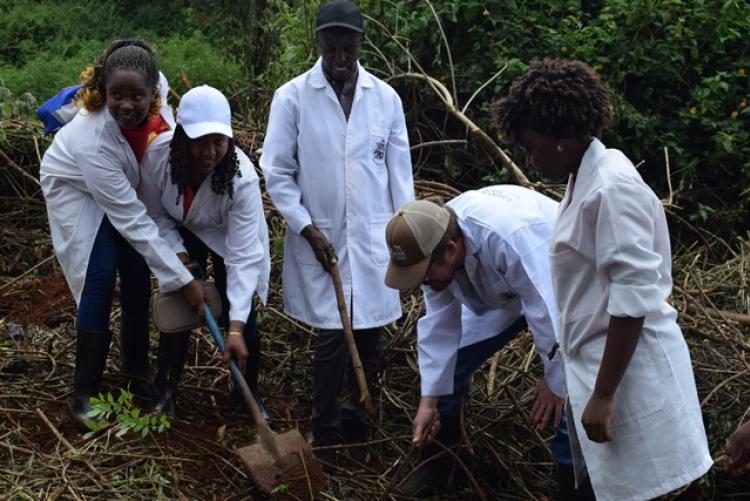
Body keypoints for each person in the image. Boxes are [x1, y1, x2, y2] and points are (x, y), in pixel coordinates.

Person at [491, 58, 713, 500]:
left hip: (630, 376)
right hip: (604, 370)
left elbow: (633, 297)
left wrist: (605, 393)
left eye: (531, 147)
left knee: (656, 492)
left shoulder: (611, 188)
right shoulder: (584, 180)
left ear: (560, 137)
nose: (529, 159)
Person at [260, 0, 414, 467]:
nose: (341, 58)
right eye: (332, 47)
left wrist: (404, 231)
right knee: (332, 333)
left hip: (373, 237)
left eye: (349, 47)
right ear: (319, 43)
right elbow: (277, 171)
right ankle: (323, 429)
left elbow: (398, 172)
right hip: (320, 234)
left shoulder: (385, 98)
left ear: (361, 44)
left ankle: (358, 419)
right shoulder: (293, 97)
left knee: (370, 332)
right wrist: (305, 227)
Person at [39, 39, 204, 429]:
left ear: (155, 90)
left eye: (137, 96)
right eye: (116, 96)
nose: (127, 105)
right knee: (99, 277)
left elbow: (144, 210)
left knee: (136, 273)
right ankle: (85, 394)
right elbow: (132, 220)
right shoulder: (92, 139)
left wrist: (173, 260)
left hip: (123, 184)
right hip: (76, 188)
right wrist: (183, 280)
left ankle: (134, 366)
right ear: (103, 90)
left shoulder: (155, 93)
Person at [384, 187, 585, 498]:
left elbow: (549, 310)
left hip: (563, 289)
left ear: (450, 251)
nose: (423, 283)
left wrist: (554, 379)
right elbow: (439, 326)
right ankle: (440, 464)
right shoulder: (433, 240)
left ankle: (574, 484)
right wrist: (428, 403)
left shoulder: (509, 236)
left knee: (570, 394)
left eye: (424, 275)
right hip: (504, 294)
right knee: (452, 367)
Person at [139, 85, 271, 417]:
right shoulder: (157, 157)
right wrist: (180, 261)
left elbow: (242, 257)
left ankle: (246, 394)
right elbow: (153, 214)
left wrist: (236, 327)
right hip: (179, 225)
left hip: (228, 236)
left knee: (240, 311)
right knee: (178, 301)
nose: (210, 152)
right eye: (200, 141)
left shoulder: (241, 179)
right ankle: (166, 387)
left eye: (218, 141)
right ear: (182, 136)